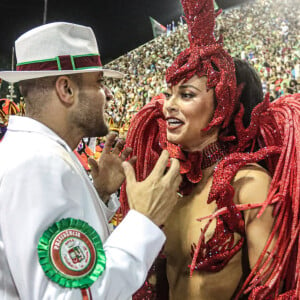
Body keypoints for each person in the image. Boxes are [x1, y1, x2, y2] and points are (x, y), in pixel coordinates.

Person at [120, 0, 300, 299]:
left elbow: (271, 291)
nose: (168, 106)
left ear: (223, 107)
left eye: (186, 95)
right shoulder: (171, 185)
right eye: (168, 94)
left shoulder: (248, 185)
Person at [0, 22, 182, 300]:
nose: (107, 94)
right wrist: (144, 219)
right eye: (99, 82)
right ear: (66, 90)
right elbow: (71, 296)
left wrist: (98, 192)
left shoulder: (36, 153)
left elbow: (62, 253)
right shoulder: (38, 164)